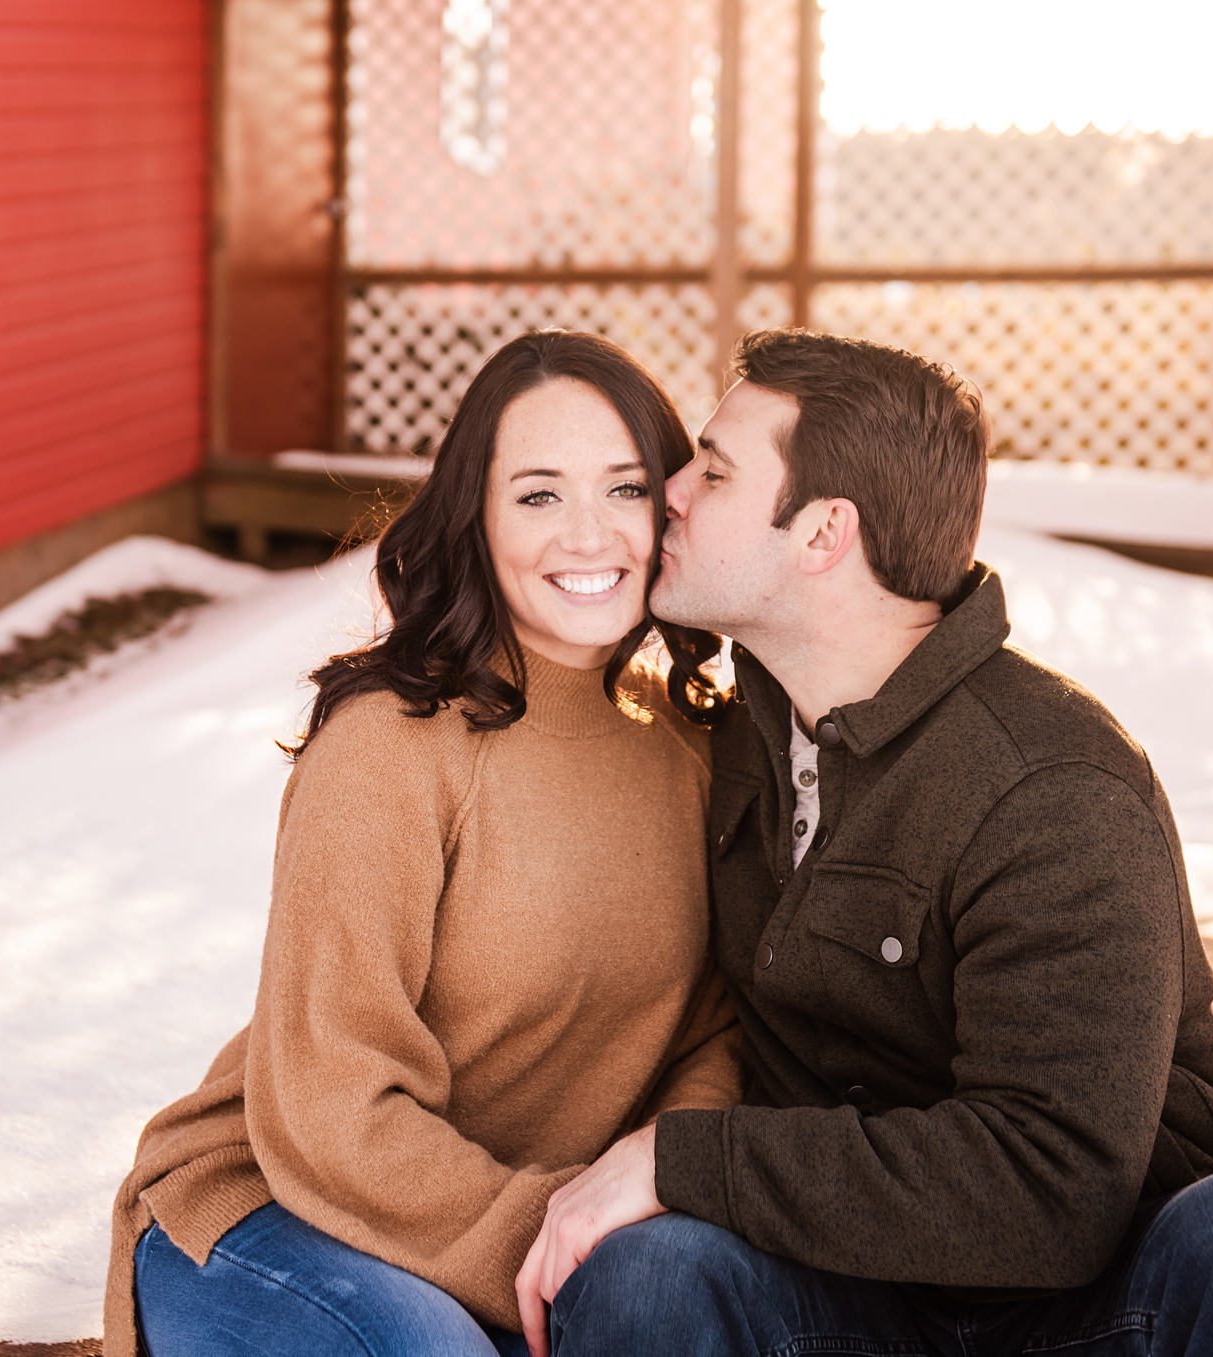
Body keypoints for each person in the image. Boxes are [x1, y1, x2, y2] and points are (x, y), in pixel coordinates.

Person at [515, 329, 1213, 1356]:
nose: (668, 490)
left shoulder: (1052, 786)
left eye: (712, 471)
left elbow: (1049, 1185)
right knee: (650, 1280)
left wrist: (679, 1159)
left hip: (1099, 1307)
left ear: (820, 535)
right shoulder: (731, 745)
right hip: (851, 1299)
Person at [105, 330, 742, 1357]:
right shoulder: (391, 744)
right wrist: (554, 1248)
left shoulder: (689, 746)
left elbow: (714, 1031)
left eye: (623, 489)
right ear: (476, 520)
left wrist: (653, 1176)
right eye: (537, 495)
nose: (588, 534)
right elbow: (330, 1105)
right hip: (275, 1210)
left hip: (524, 1238)